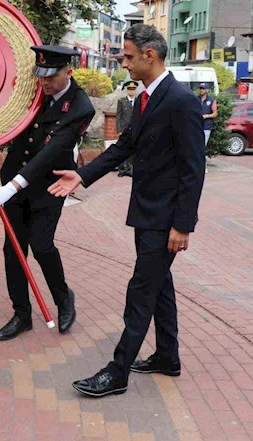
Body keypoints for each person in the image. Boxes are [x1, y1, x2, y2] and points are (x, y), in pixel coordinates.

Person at [47, 24, 205, 398]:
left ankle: (117, 373)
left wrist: (182, 226)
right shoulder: (147, 98)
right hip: (147, 214)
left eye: (128, 56)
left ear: (150, 55)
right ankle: (167, 356)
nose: (124, 63)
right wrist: (81, 176)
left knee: (142, 290)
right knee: (159, 286)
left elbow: (193, 169)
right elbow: (124, 148)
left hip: (165, 219)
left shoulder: (180, 100)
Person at [0, 46, 95, 341]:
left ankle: (63, 300)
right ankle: (21, 313)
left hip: (49, 185)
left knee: (42, 245)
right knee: (14, 249)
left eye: (52, 76)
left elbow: (50, 153)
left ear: (69, 72)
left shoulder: (80, 107)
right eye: (41, 76)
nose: (45, 83)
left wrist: (12, 187)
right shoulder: (30, 93)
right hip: (15, 181)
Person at [115, 80, 139, 177]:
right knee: (122, 149)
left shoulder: (138, 100)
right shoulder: (121, 101)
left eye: (133, 89)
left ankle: (130, 169)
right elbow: (118, 116)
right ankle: (122, 170)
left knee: (133, 150)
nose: (131, 91)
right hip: (124, 129)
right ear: (126, 90)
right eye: (129, 89)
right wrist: (119, 129)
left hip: (135, 128)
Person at [199, 84, 217, 174]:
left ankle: (204, 166)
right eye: (200, 88)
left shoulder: (211, 100)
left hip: (206, 127)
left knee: (202, 146)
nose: (201, 90)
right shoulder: (196, 99)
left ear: (207, 90)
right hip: (197, 126)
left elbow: (215, 113)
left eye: (203, 89)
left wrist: (207, 116)